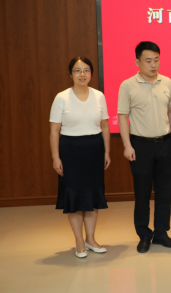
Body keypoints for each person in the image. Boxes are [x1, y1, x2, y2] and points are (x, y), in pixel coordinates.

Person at [118, 41, 171, 253]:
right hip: (140, 146)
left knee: (165, 192)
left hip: (165, 143)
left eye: (156, 60)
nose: (153, 65)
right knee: (142, 193)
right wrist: (127, 145)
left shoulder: (167, 82)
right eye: (148, 61)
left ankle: (161, 233)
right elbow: (123, 116)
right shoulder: (128, 85)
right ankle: (144, 235)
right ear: (138, 62)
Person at [49, 57, 111, 258]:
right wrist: (56, 157)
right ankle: (79, 241)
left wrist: (107, 152)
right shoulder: (62, 98)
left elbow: (105, 126)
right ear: (70, 74)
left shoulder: (99, 96)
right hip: (70, 151)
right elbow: (54, 130)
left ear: (91, 73)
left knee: (92, 196)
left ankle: (90, 240)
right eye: (77, 70)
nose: (82, 74)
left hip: (94, 150)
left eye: (86, 70)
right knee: (74, 197)